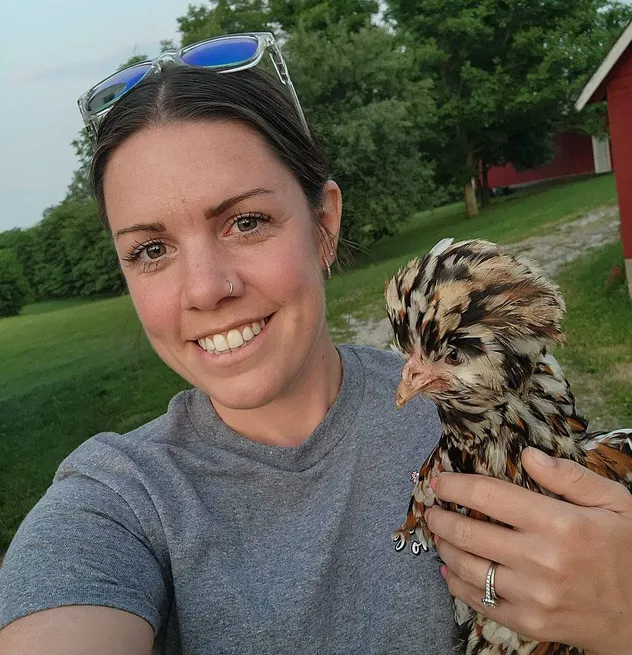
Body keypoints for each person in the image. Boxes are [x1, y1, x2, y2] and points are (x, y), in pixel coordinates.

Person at [0, 33, 631, 655]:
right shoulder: (115, 500)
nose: (205, 289)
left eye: (246, 222)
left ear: (323, 225)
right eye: (151, 250)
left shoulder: (484, 404)